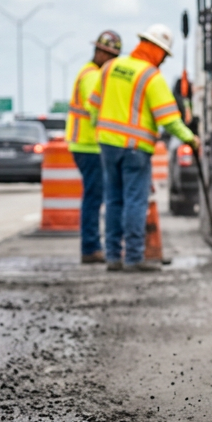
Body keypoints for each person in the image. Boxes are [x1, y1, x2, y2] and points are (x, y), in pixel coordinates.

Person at [88, 24, 201, 272]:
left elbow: (93, 106)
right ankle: (134, 258)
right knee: (135, 201)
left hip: (107, 145)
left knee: (114, 200)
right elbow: (168, 119)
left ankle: (113, 257)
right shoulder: (150, 76)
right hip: (135, 149)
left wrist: (102, 132)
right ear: (157, 50)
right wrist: (190, 138)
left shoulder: (110, 68)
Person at [65, 30, 121, 264]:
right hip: (88, 145)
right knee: (93, 196)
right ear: (98, 52)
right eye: (106, 54)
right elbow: (93, 106)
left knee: (95, 195)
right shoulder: (92, 76)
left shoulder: (93, 73)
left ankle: (93, 246)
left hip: (88, 145)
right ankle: (90, 248)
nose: (108, 59)